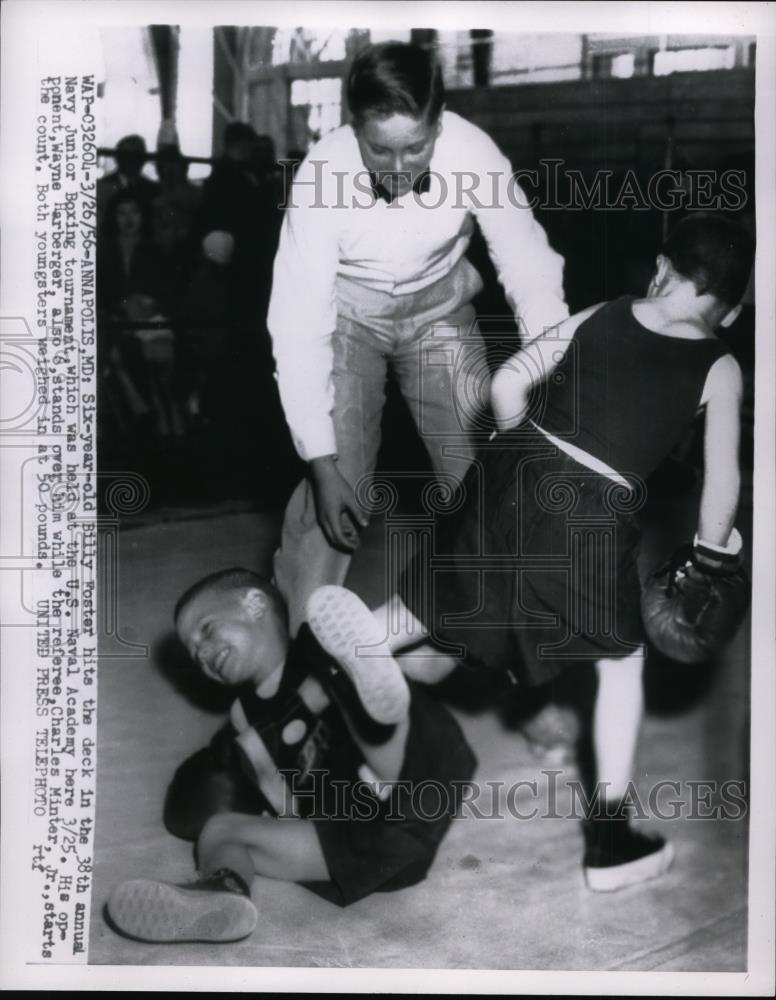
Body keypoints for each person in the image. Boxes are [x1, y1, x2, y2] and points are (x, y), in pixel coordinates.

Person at [307, 213, 754, 892]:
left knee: (434, 605)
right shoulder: (719, 364)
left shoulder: (610, 310)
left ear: (662, 268)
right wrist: (711, 557)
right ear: (734, 308)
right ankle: (610, 843)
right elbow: (723, 481)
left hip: (512, 468)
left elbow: (506, 384)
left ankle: (337, 675)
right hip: (593, 508)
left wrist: (528, 455)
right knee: (622, 662)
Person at [268, 41, 569, 633]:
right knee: (340, 491)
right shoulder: (320, 175)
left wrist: (550, 370)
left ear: (440, 120)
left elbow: (528, 263)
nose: (400, 168)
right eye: (380, 149)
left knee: (485, 475)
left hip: (439, 310)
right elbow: (298, 321)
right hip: (347, 319)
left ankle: (505, 632)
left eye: (417, 147)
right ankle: (298, 653)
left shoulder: (473, 150)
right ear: (353, 124)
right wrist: (321, 461)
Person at [106, 568, 476, 943]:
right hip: (353, 846)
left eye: (206, 629)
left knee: (347, 677)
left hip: (410, 792)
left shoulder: (318, 647)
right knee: (220, 830)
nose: (201, 652)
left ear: (254, 605)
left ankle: (375, 673)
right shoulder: (243, 718)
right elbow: (242, 789)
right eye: (193, 653)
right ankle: (221, 896)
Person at [97, 134, 160, 233]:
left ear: (143, 159)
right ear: (117, 158)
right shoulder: (101, 187)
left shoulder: (154, 189)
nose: (132, 161)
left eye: (137, 156)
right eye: (127, 155)